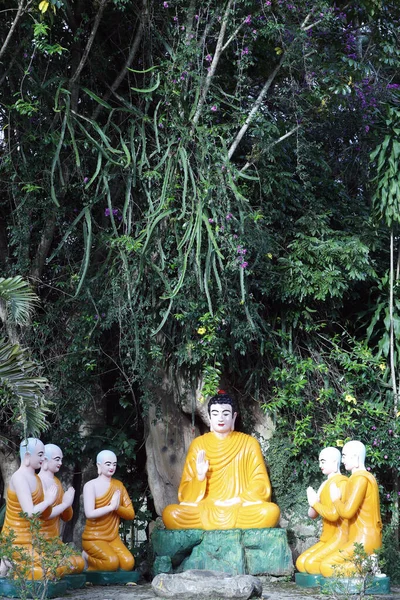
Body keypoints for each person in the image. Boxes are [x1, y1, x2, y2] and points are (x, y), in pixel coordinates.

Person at [162, 391, 280, 530]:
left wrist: (238, 499)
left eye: (225, 413)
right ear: (210, 418)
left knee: (270, 512)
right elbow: (185, 495)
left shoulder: (248, 443)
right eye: (216, 414)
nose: (221, 418)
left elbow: (261, 485)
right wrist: (200, 477)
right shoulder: (199, 445)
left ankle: (216, 525)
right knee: (171, 514)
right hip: (206, 506)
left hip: (239, 505)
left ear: (233, 416)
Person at [319, 440, 382, 577]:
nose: (343, 461)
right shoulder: (360, 478)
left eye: (346, 456)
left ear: (356, 458)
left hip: (364, 539)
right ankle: (365, 564)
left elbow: (347, 512)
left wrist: (336, 499)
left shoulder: (360, 479)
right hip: (361, 537)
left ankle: (366, 565)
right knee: (326, 563)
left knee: (326, 567)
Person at [1, 438, 58, 580]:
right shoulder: (19, 477)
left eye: (44, 455)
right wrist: (48, 501)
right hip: (17, 540)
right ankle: (11, 564)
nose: (43, 458)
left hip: (33, 539)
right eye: (40, 454)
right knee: (48, 571)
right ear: (27, 456)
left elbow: (45, 514)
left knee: (61, 564)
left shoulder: (37, 479)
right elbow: (29, 512)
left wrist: (49, 503)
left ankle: (12, 565)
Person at [296, 447, 348, 575]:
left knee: (310, 564)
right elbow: (312, 515)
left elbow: (334, 515)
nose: (320, 465)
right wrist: (313, 501)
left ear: (335, 462)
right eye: (320, 461)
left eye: (323, 461)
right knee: (301, 563)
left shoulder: (342, 482)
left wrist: (314, 503)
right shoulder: (324, 484)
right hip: (326, 537)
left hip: (339, 537)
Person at [82, 450, 135, 571]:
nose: (112, 467)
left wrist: (117, 507)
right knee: (111, 562)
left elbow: (131, 514)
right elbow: (89, 514)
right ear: (99, 465)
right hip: (93, 537)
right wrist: (110, 507)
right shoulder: (90, 485)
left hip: (112, 538)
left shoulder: (118, 486)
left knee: (128, 563)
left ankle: (102, 565)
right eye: (108, 464)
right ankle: (86, 557)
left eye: (114, 464)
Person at [38, 444, 85, 575]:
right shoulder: (37, 482)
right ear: (45, 460)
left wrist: (68, 503)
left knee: (79, 563)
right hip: (38, 540)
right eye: (57, 459)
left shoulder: (57, 482)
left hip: (54, 540)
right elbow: (43, 515)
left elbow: (66, 517)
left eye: (61, 459)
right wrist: (64, 504)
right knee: (54, 569)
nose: (61, 463)